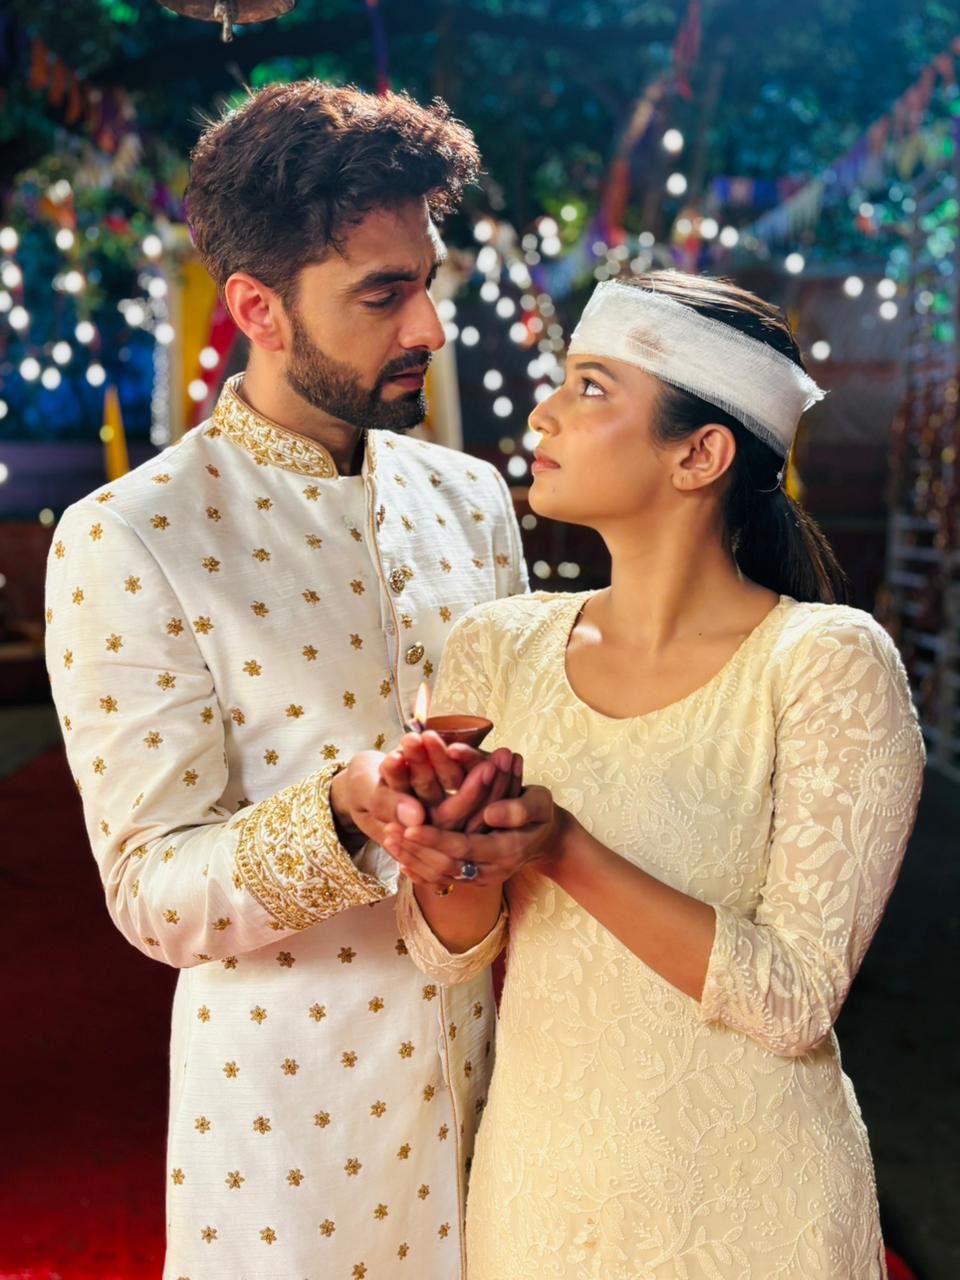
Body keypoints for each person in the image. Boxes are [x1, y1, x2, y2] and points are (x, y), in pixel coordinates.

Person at [44, 81, 528, 1279]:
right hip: (291, 1132)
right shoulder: (132, 534)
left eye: (427, 283)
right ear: (257, 307)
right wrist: (342, 811)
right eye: (382, 294)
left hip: (515, 1091)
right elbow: (152, 890)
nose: (429, 328)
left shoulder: (469, 498)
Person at [383, 271, 926, 1279]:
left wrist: (561, 845)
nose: (544, 411)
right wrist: (445, 846)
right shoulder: (497, 645)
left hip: (756, 1210)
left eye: (591, 386)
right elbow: (451, 954)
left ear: (700, 453)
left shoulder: (824, 662)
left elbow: (796, 999)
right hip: (542, 1198)